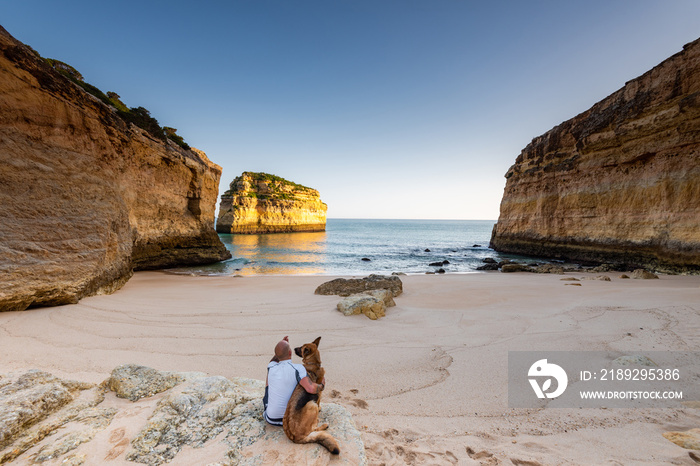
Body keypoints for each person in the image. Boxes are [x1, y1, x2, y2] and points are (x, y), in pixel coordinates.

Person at [263, 335, 325, 426]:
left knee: (269, 381)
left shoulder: (271, 365)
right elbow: (311, 389)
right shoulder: (298, 369)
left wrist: (281, 348)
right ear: (290, 352)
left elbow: (274, 359)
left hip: (270, 419)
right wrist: (322, 385)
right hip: (290, 418)